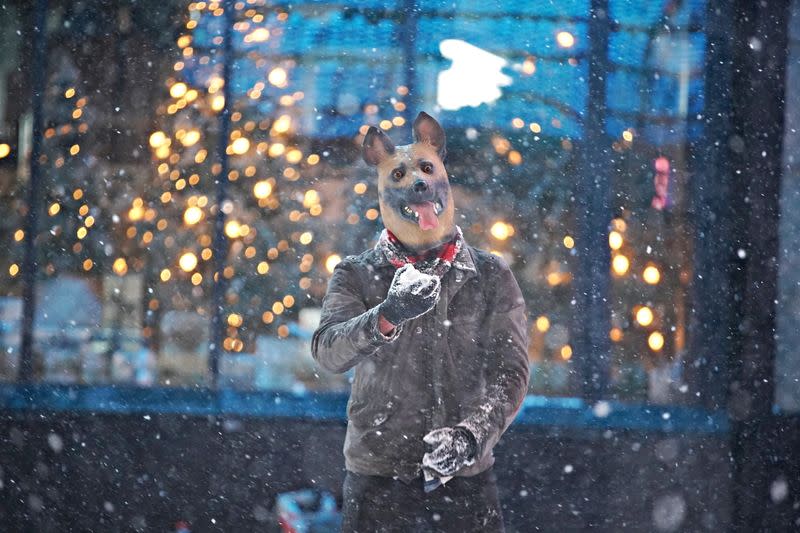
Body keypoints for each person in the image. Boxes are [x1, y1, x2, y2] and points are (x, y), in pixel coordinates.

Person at [312, 112, 530, 532]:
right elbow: (327, 351)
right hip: (378, 481)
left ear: (444, 176)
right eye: (400, 173)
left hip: (465, 484)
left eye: (427, 169)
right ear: (381, 189)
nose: (418, 181)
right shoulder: (357, 274)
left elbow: (512, 374)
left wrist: (469, 438)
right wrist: (387, 315)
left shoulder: (490, 276)